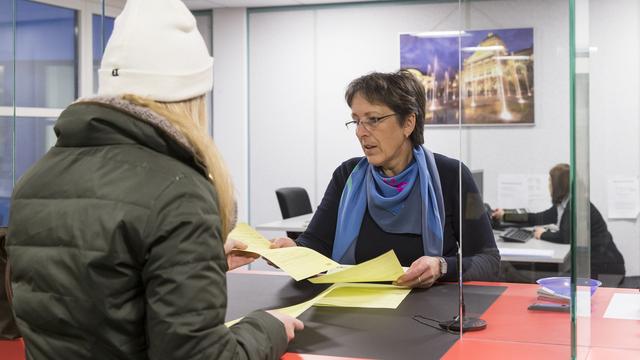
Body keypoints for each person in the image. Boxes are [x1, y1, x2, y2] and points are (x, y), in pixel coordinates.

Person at [5, 0, 302, 359]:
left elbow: (94, 296)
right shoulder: (179, 191)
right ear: (191, 99)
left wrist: (196, 262)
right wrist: (267, 328)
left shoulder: (36, 178)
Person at [271, 70, 500, 288]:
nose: (361, 132)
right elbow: (316, 244)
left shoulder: (452, 175)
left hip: (427, 317)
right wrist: (293, 251)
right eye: (356, 120)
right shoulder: (347, 176)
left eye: (373, 119)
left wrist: (441, 266)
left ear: (408, 123)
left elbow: (488, 260)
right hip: (353, 310)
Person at [492, 163, 626, 281]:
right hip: (595, 266)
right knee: (544, 277)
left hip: (605, 270)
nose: (549, 185)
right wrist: (505, 215)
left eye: (550, 182)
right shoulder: (564, 204)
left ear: (559, 185)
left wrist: (543, 234)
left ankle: (509, 275)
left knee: (542, 280)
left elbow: (565, 237)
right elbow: (537, 218)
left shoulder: (576, 206)